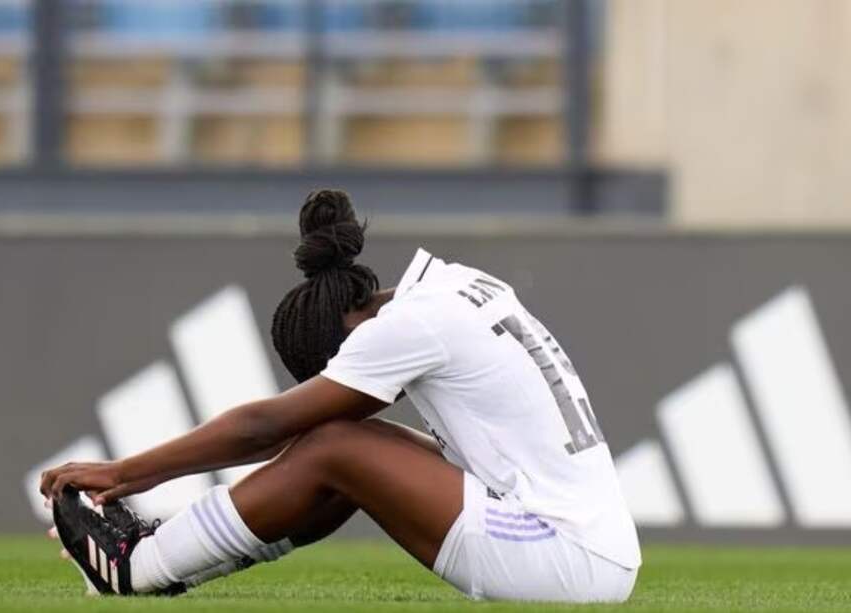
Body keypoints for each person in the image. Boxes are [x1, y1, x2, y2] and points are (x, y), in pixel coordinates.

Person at [40, 189, 641, 603]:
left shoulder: (404, 328)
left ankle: (138, 567)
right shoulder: (450, 286)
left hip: (565, 559)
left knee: (333, 445)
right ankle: (160, 552)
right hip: (588, 545)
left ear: (346, 338)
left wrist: (126, 472)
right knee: (342, 446)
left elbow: (265, 427)